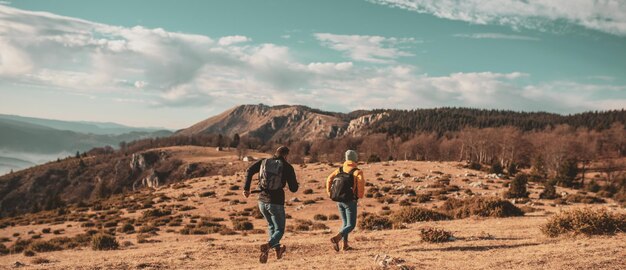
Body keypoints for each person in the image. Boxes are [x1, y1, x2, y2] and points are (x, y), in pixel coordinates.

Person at [243, 146, 299, 264]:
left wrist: (246, 189)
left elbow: (249, 170)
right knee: (279, 229)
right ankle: (268, 246)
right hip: (276, 202)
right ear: (285, 155)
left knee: (271, 227)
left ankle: (277, 250)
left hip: (262, 202)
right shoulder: (287, 167)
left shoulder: (264, 162)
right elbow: (294, 188)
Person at [325, 150, 365, 252]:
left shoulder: (339, 170)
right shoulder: (357, 171)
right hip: (350, 201)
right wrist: (359, 196)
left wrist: (330, 193)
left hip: (339, 200)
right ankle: (338, 238)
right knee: (351, 225)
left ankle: (345, 245)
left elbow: (329, 179)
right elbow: (360, 184)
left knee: (345, 223)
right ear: (355, 158)